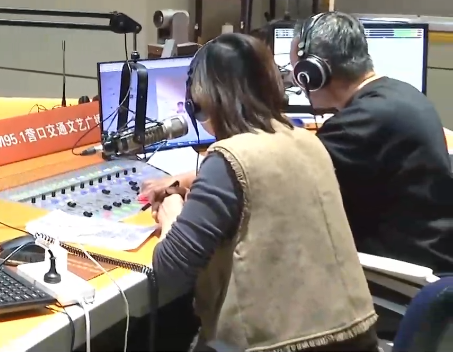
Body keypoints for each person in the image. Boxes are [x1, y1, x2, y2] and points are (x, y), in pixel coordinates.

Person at [149, 33, 378, 351]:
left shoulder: (227, 159)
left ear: (199, 102)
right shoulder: (307, 141)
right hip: (356, 338)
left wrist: (172, 210)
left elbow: (169, 272)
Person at [289, 12, 453, 273]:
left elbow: (289, 180)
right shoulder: (401, 93)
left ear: (314, 73)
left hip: (403, 273)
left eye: (298, 73)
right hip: (434, 255)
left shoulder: (360, 123)